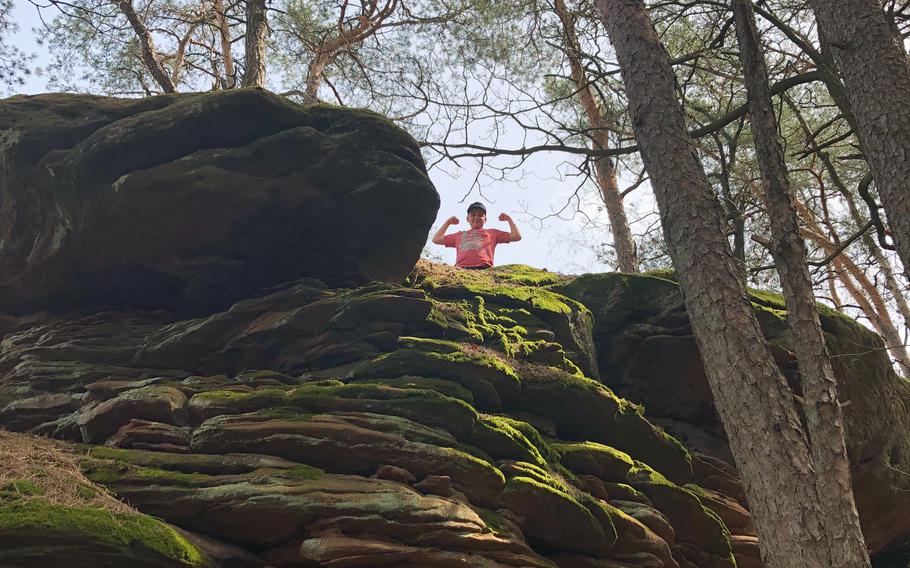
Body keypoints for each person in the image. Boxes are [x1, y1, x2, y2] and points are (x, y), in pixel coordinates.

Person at [431, 202, 522, 269]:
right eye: (473, 215)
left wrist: (509, 219)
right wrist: (448, 223)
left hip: (484, 268)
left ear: (485, 219)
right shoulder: (459, 235)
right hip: (461, 268)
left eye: (480, 215)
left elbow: (516, 236)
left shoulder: (492, 233)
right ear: (467, 218)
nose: (476, 217)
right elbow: (436, 239)